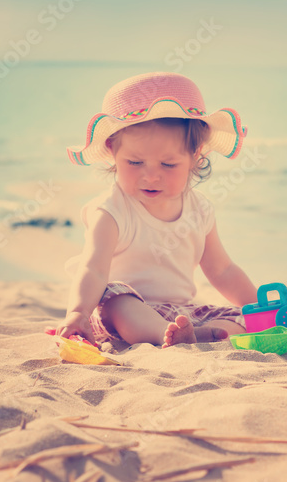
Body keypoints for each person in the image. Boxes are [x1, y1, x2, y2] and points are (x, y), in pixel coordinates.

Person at [56, 72, 254, 347]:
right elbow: (94, 270)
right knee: (116, 297)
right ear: (113, 150)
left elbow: (222, 270)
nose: (150, 176)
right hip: (122, 311)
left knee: (239, 318)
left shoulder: (200, 210)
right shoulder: (111, 211)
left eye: (168, 165)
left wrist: (257, 305)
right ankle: (165, 334)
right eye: (135, 163)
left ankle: (195, 334)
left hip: (180, 313)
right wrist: (78, 313)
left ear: (195, 154)